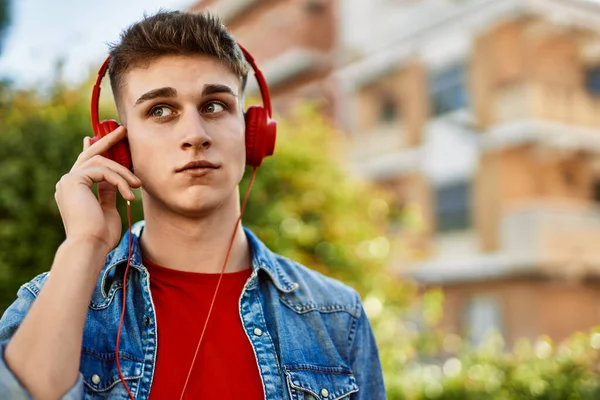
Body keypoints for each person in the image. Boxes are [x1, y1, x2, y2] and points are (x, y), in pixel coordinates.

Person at [0, 10, 386, 400]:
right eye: (160, 110)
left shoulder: (337, 315)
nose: (194, 135)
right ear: (119, 147)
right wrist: (84, 243)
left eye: (214, 105)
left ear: (253, 132)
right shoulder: (53, 303)